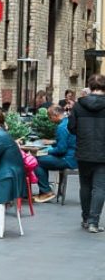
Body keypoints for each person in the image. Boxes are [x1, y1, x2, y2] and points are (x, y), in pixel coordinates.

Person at [68, 74, 105, 233]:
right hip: (103, 152)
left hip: (83, 151)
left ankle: (85, 218)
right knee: (100, 187)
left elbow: (71, 127)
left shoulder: (78, 106)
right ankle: (93, 222)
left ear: (89, 87)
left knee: (85, 186)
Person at [34, 105, 77, 203]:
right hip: (73, 157)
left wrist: (46, 151)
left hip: (67, 159)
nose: (50, 119)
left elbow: (61, 150)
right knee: (42, 161)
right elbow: (67, 141)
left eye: (50, 117)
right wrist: (53, 142)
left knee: (36, 161)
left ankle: (46, 192)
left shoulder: (61, 127)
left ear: (55, 115)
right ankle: (44, 192)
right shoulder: (68, 122)